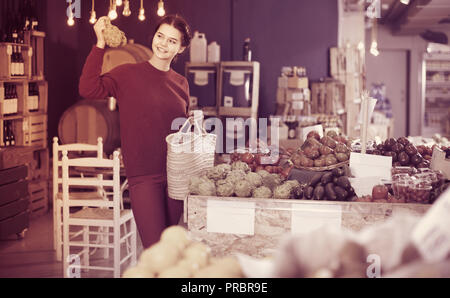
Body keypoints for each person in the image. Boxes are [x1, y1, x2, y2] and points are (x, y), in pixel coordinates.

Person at [79, 14, 192, 248]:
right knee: (155, 249)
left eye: (172, 41)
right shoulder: (127, 74)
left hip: (176, 176)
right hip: (144, 176)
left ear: (181, 48)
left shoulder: (181, 83)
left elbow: (183, 128)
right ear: (154, 37)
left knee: (169, 249)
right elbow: (88, 88)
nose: (163, 43)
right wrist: (100, 44)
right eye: (160, 36)